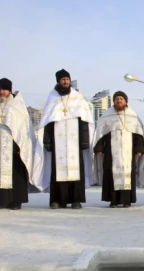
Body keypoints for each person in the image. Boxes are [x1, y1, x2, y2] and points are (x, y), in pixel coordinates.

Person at [0, 78, 41, 210]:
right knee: (0, 174)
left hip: (15, 147)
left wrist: (20, 146)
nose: (2, 92)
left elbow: (24, 129)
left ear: (9, 90)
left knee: (16, 174)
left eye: (4, 89)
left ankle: (17, 200)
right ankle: (3, 201)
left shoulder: (17, 106)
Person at [38, 69, 94, 209]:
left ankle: (76, 199)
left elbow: (84, 121)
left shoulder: (77, 97)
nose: (65, 81)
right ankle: (57, 200)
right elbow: (48, 123)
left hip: (75, 143)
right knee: (58, 171)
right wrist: (48, 141)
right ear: (58, 81)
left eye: (67, 79)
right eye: (63, 79)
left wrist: (84, 140)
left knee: (76, 171)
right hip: (58, 144)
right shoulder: (52, 97)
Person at [92, 91, 144, 208]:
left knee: (128, 174)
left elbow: (138, 135)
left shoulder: (133, 117)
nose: (119, 100)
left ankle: (127, 200)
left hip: (128, 153)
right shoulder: (106, 116)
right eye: (117, 99)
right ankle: (113, 200)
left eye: (121, 98)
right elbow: (100, 134)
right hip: (111, 153)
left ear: (126, 101)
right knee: (111, 174)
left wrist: (139, 149)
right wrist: (99, 148)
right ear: (113, 102)